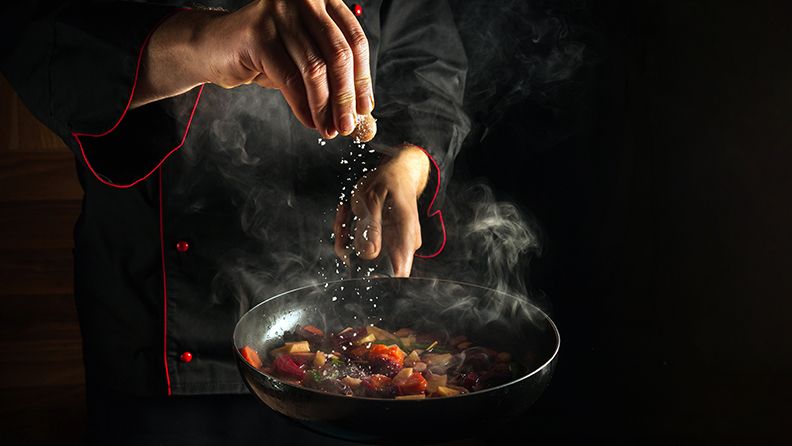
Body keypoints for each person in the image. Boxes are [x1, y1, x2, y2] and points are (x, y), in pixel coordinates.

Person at [1, 0, 469, 444]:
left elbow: (426, 60)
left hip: (348, 331)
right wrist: (203, 39)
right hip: (163, 344)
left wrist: (408, 164)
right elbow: (34, 32)